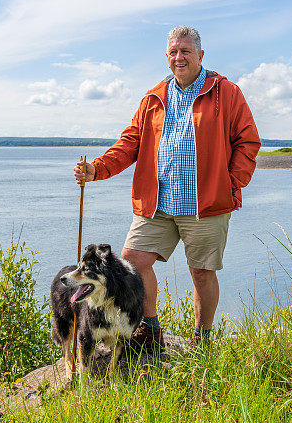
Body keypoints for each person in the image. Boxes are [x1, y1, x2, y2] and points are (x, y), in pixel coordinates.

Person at [73, 26, 260, 350]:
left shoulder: (226, 92)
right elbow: (129, 144)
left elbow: (248, 140)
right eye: (173, 52)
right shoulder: (153, 98)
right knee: (132, 263)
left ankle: (202, 338)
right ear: (167, 57)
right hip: (157, 203)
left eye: (185, 51)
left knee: (201, 273)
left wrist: (231, 183)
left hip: (206, 205)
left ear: (200, 55)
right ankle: (150, 327)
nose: (179, 57)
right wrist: (96, 169)